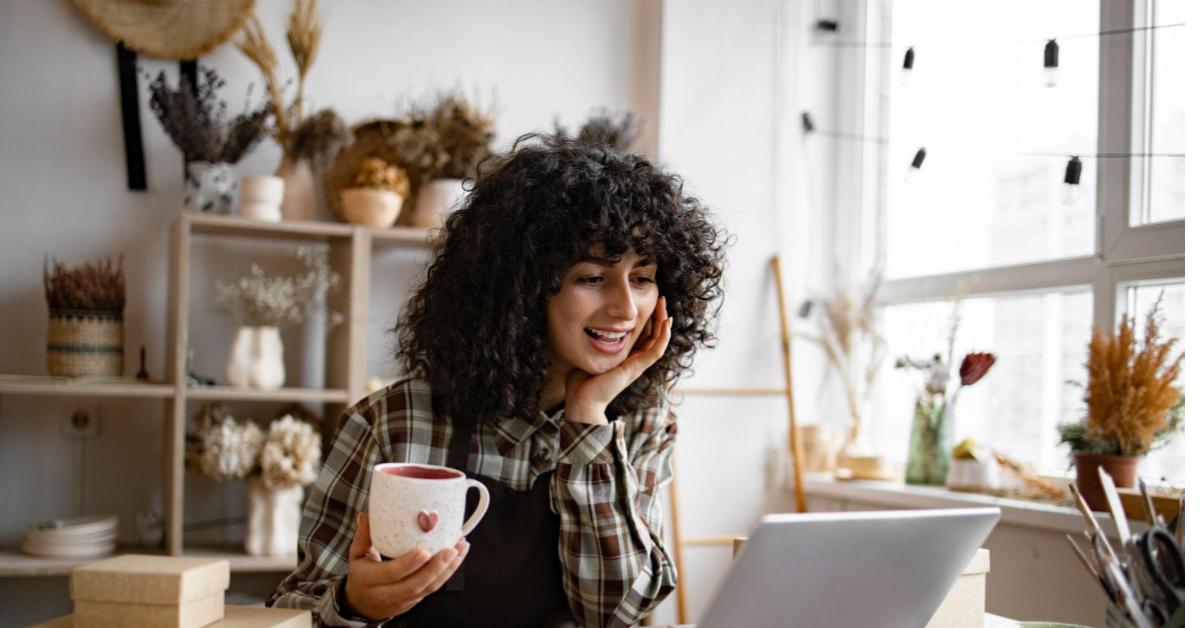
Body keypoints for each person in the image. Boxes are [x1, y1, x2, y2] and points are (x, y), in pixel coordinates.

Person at [268, 134, 727, 627]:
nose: (625, 308)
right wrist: (352, 603)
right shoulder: (393, 424)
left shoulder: (640, 425)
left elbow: (616, 613)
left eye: (642, 278)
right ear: (522, 290)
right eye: (592, 277)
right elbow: (295, 609)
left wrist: (589, 420)